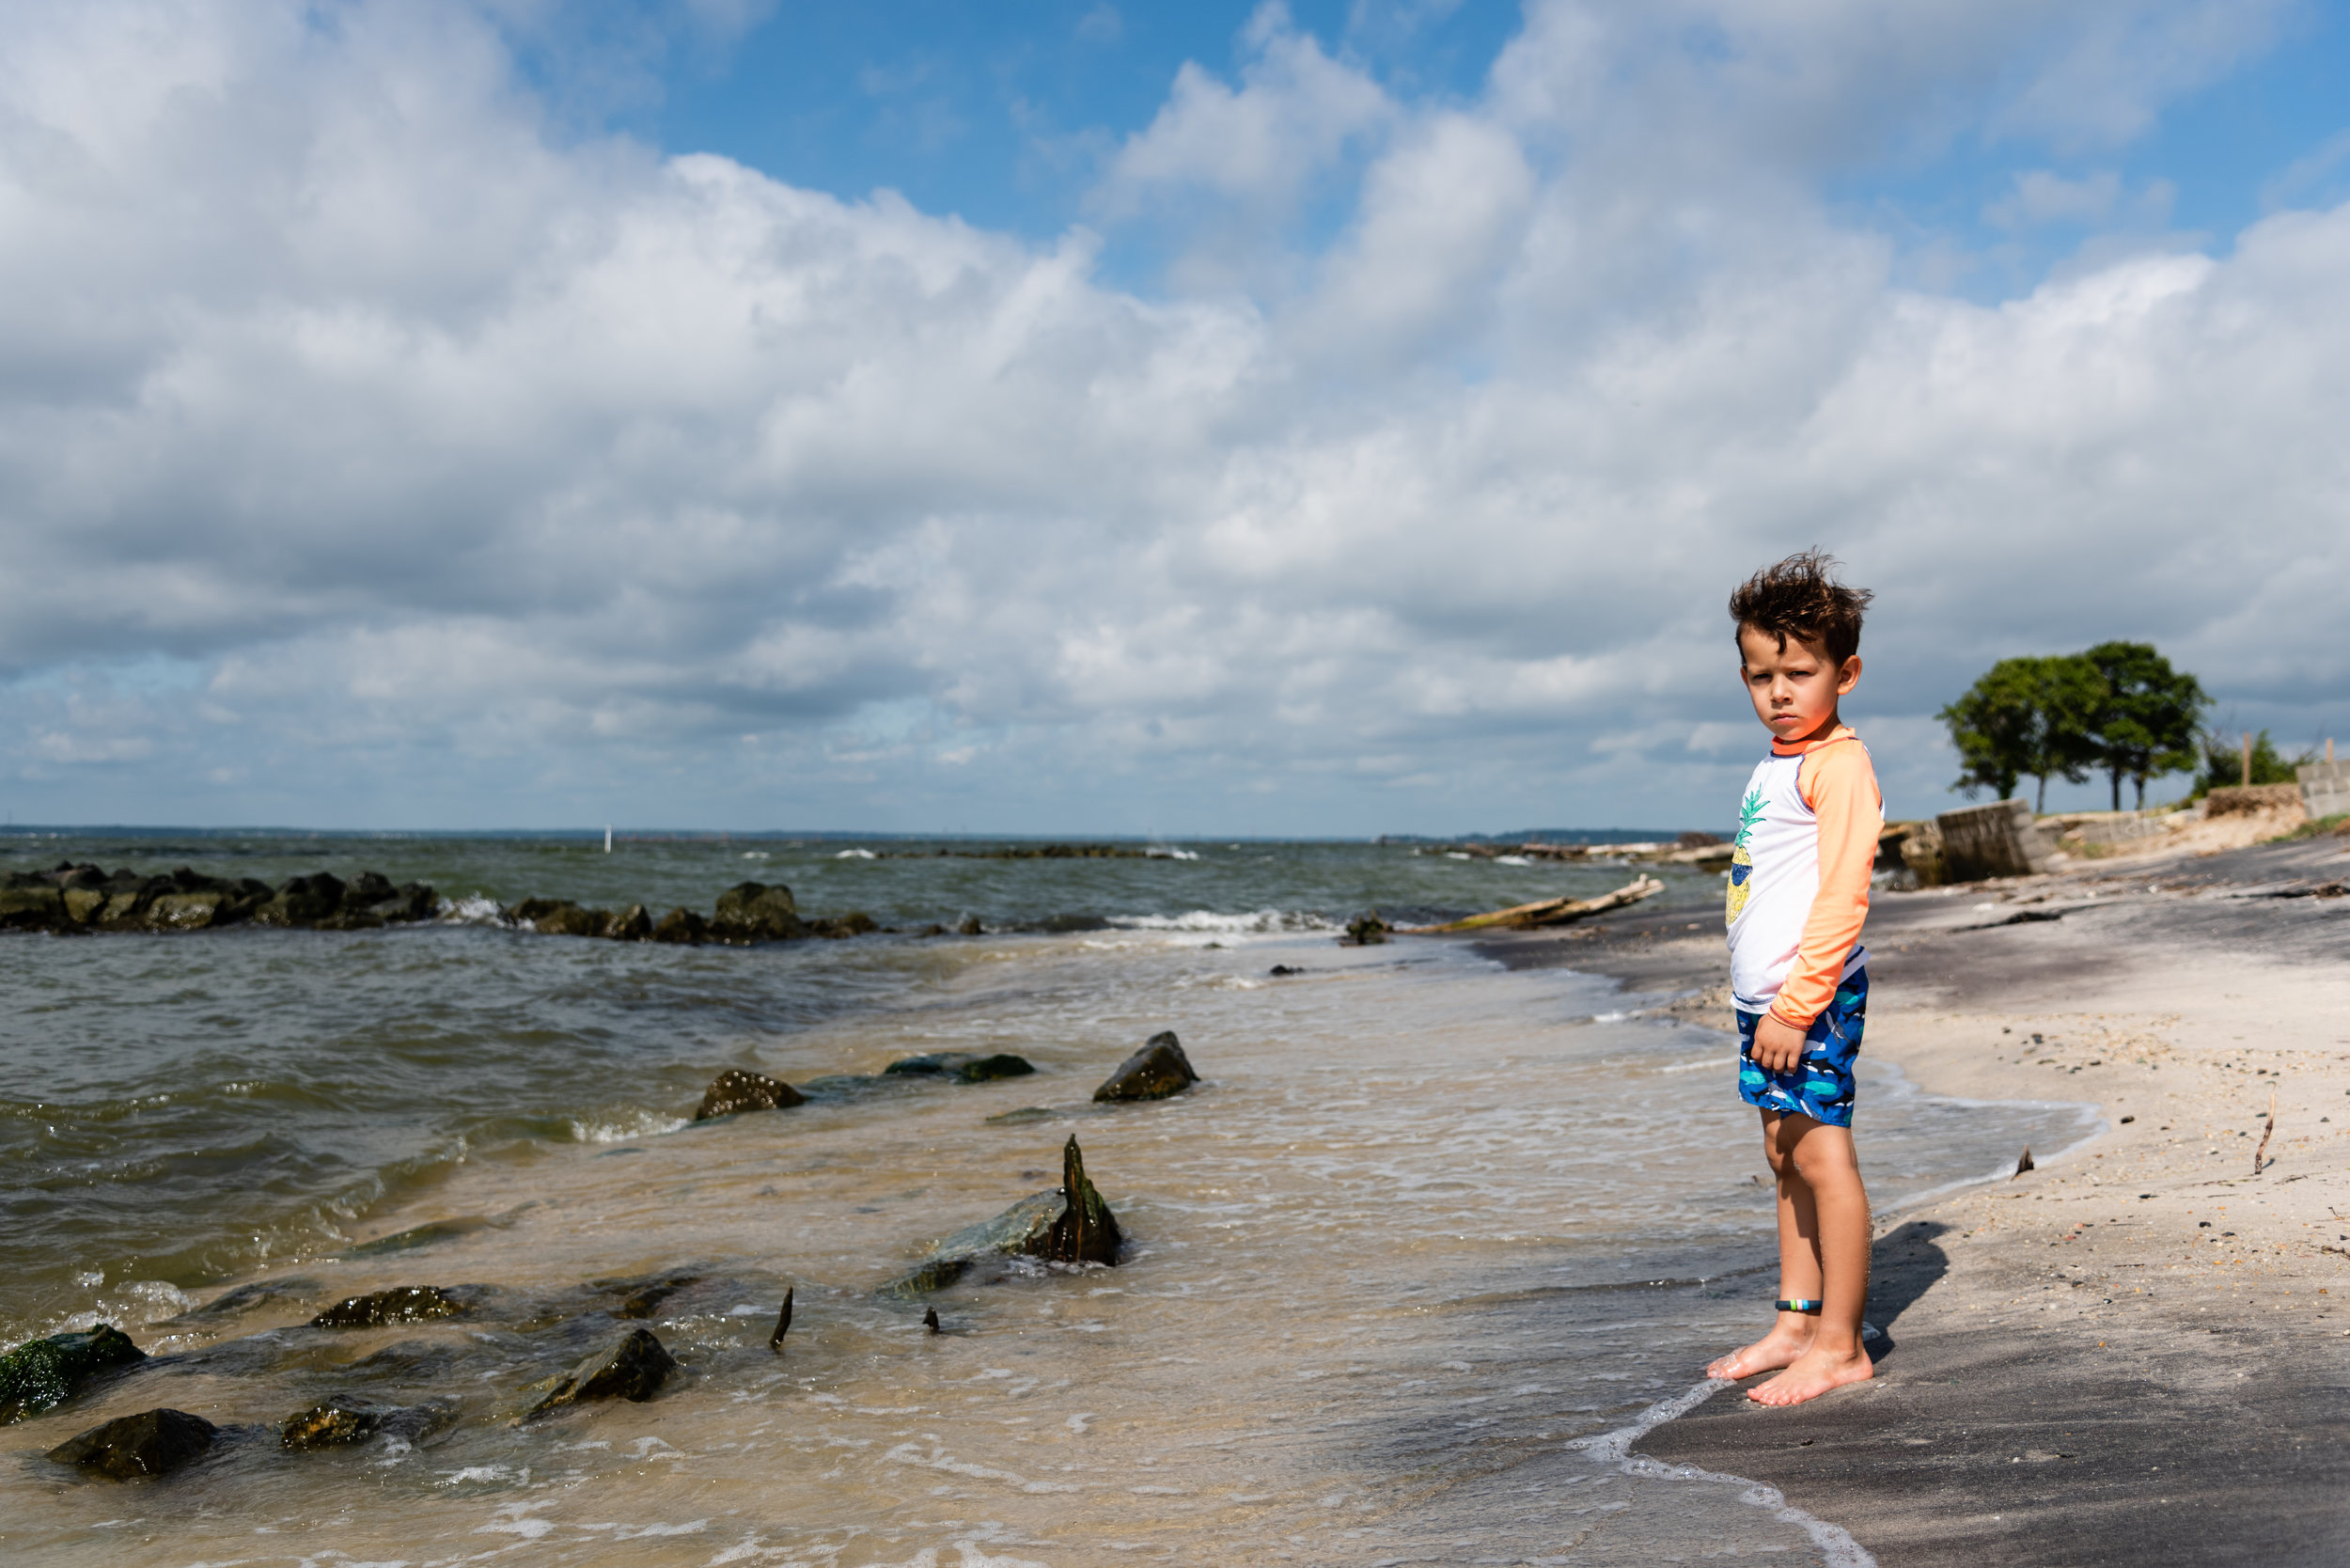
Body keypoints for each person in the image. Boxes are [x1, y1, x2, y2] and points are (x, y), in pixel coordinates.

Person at [1704, 551, 1883, 1406]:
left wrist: (1797, 1004)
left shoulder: (1837, 764)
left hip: (1804, 1001)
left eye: (1800, 673)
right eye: (1760, 674)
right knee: (1783, 1154)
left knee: (1821, 1155)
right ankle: (1796, 1321)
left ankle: (1841, 1343)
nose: (1779, 691)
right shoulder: (1779, 757)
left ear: (1844, 673)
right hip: (1765, 1001)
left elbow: (1846, 892)